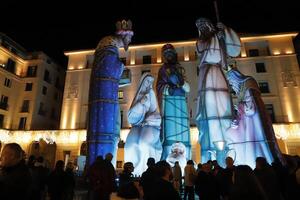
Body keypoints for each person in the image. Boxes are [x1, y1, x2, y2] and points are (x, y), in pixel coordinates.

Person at [194, 18, 241, 164]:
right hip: (206, 72)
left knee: (222, 103)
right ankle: (213, 146)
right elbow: (202, 47)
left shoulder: (218, 36)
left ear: (209, 26)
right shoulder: (201, 41)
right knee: (208, 105)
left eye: (204, 25)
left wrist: (225, 31)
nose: (202, 28)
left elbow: (234, 50)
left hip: (218, 71)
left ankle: (226, 138)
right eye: (200, 27)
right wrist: (216, 36)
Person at [87, 19, 134, 165]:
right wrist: (122, 68)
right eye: (129, 37)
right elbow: (113, 69)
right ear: (124, 36)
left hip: (106, 95)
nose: (129, 41)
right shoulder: (109, 51)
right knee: (109, 128)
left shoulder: (104, 53)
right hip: (106, 100)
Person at [226, 67, 285, 168]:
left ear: (235, 78)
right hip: (246, 123)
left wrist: (240, 107)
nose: (231, 85)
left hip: (253, 124)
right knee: (229, 132)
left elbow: (251, 109)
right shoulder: (242, 89)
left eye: (231, 82)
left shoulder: (248, 83)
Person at [156, 43, 191, 163]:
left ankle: (186, 155)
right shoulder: (163, 69)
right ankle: (168, 155)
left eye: (170, 53)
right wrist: (168, 89)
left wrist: (182, 84)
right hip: (169, 100)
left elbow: (187, 86)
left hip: (181, 100)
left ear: (174, 54)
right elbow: (159, 86)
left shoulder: (181, 69)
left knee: (183, 126)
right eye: (166, 54)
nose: (169, 56)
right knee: (169, 127)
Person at [125, 73, 162, 175]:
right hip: (137, 126)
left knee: (144, 143)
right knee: (130, 145)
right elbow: (131, 116)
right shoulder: (139, 96)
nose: (149, 83)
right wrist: (141, 103)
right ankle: (134, 170)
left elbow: (154, 111)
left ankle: (145, 168)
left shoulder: (151, 94)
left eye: (151, 81)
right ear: (142, 82)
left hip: (150, 124)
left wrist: (148, 120)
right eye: (147, 81)